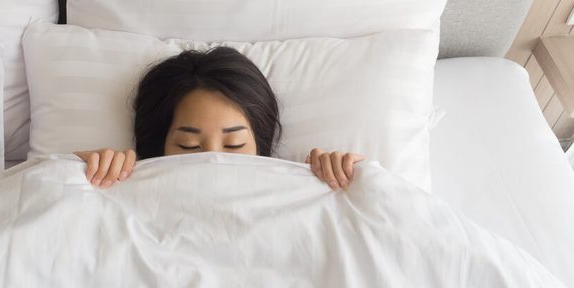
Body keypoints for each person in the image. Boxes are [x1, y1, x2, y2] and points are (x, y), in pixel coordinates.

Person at [74, 47, 364, 191]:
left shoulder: (295, 191)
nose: (213, 162)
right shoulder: (128, 189)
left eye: (234, 145)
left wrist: (350, 181)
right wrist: (79, 175)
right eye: (189, 146)